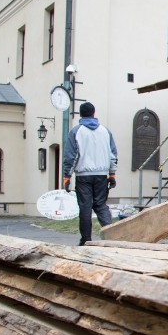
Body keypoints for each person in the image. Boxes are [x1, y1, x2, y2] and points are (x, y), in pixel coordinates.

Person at [63, 102, 118, 246]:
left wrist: (66, 177)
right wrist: (112, 174)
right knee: (100, 205)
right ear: (94, 113)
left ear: (80, 115)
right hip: (101, 175)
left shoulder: (76, 131)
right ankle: (112, 237)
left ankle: (86, 240)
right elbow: (113, 155)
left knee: (85, 207)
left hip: (83, 176)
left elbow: (71, 156)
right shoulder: (105, 131)